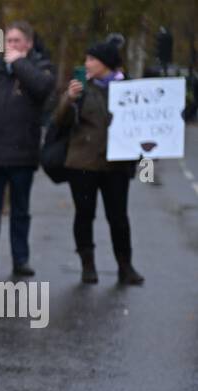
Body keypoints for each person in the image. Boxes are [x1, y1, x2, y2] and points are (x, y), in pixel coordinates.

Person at [0, 22, 54, 278]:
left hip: (22, 155)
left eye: (17, 41)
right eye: (8, 41)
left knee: (20, 212)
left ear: (28, 43)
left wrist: (19, 64)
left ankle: (20, 259)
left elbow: (43, 89)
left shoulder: (39, 69)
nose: (11, 46)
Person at [53, 38, 144, 285]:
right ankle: (87, 265)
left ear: (106, 63)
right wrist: (68, 99)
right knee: (84, 215)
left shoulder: (129, 88)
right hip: (83, 165)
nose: (87, 64)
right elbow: (59, 121)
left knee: (119, 217)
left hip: (116, 165)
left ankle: (125, 266)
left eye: (92, 59)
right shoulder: (80, 87)